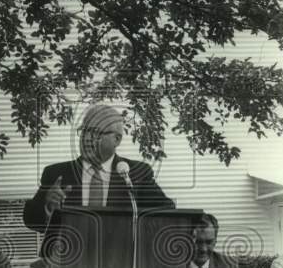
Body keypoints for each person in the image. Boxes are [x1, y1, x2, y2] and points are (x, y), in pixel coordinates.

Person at [23, 102, 174, 247]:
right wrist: (47, 205)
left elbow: (167, 212)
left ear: (117, 139)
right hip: (69, 263)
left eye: (96, 132)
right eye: (84, 130)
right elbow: (31, 219)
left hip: (120, 262)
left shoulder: (136, 174)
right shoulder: (57, 174)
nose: (87, 138)